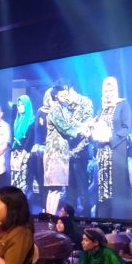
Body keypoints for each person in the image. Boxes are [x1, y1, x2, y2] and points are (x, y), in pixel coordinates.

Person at [92, 76, 132, 218]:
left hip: (116, 151)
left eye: (111, 90)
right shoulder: (102, 109)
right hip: (102, 154)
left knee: (116, 186)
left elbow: (126, 128)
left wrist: (110, 139)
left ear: (116, 90)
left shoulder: (123, 105)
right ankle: (104, 217)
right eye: (105, 91)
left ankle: (118, 217)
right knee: (103, 188)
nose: (108, 93)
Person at [55, 79, 94, 216]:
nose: (64, 98)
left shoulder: (85, 103)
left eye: (66, 94)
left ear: (71, 90)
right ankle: (70, 220)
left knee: (83, 189)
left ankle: (86, 220)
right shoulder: (65, 107)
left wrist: (74, 151)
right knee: (70, 191)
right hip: (67, 155)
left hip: (80, 153)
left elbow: (86, 132)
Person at [43, 87, 73, 215]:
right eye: (62, 93)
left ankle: (50, 219)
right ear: (56, 95)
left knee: (55, 189)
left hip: (60, 154)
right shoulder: (55, 109)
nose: (65, 95)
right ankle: (50, 219)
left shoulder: (63, 109)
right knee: (54, 189)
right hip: (55, 154)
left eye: (66, 93)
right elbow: (65, 128)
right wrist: (81, 130)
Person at [10, 95, 35, 192]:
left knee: (23, 185)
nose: (20, 107)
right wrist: (12, 158)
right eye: (18, 105)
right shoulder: (16, 121)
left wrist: (20, 159)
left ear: (27, 105)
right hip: (15, 155)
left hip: (25, 156)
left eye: (22, 104)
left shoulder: (31, 121)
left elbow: (29, 142)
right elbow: (13, 140)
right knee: (14, 184)